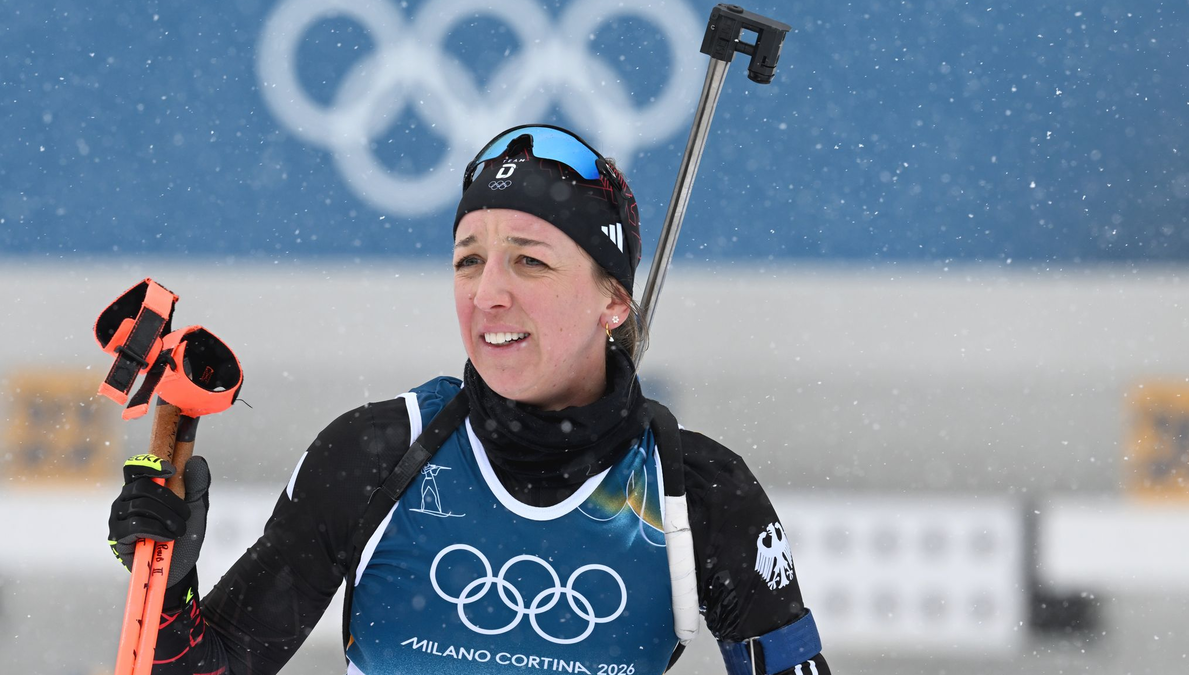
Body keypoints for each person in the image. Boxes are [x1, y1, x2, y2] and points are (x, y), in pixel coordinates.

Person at [108, 124, 831, 675]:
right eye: (469, 260)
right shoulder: (375, 455)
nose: (488, 295)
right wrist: (168, 596)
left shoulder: (696, 492)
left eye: (530, 260)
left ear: (614, 301)